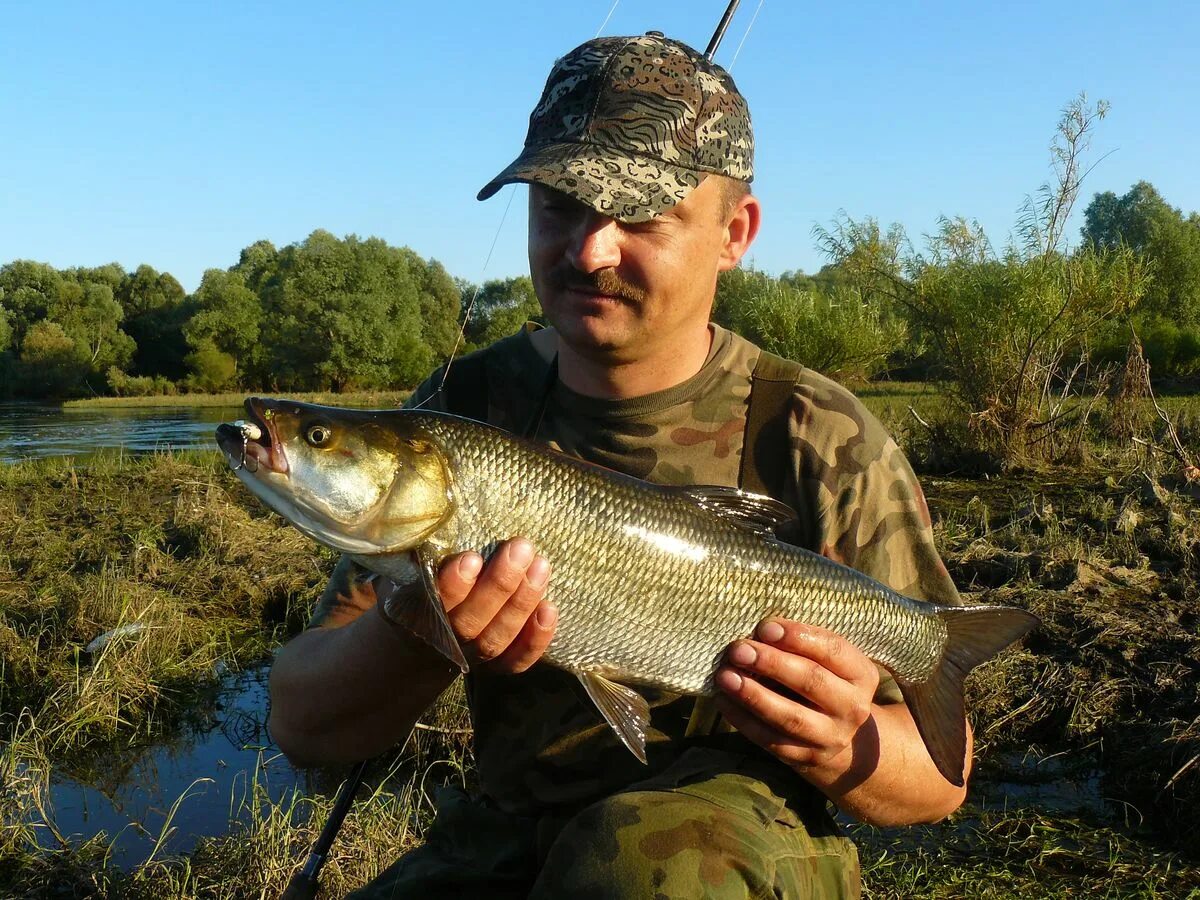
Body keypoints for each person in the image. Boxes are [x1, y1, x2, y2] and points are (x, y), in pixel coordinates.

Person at [268, 32, 969, 898]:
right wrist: (419, 634)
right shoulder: (458, 412)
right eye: (558, 206)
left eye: (639, 215)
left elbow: (942, 782)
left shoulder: (821, 434)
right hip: (511, 826)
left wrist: (838, 737)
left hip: (737, 846)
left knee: (639, 864)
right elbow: (304, 722)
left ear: (734, 232)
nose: (589, 251)